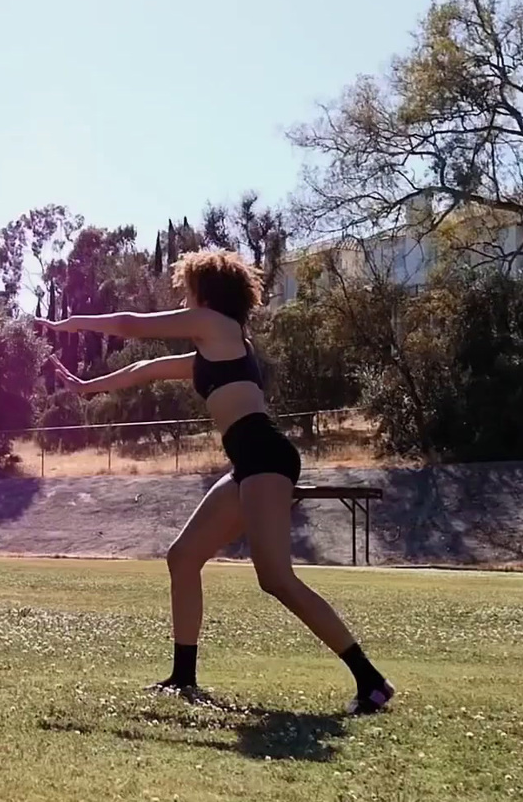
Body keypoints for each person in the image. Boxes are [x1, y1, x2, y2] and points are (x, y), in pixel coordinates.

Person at [37, 249, 394, 715]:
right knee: (183, 558)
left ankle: (371, 681)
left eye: (187, 290)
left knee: (276, 579)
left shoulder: (218, 327)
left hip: (265, 456)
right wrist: (88, 388)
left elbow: (132, 325)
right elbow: (144, 371)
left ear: (205, 291)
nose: (184, 299)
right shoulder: (208, 350)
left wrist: (70, 322)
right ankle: (183, 678)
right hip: (247, 463)